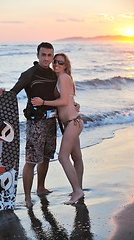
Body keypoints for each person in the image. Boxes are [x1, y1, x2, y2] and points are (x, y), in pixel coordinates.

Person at [0, 42, 58, 208]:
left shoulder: (54, 74)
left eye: (49, 55)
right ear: (37, 55)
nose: (46, 58)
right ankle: (28, 198)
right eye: (43, 55)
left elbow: (61, 96)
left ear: (52, 56)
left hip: (52, 121)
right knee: (31, 160)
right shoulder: (29, 74)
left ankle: (41, 188)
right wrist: (3, 93)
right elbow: (13, 92)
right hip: (36, 123)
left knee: (46, 157)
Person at [31, 53, 84, 204]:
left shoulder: (63, 77)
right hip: (72, 122)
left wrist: (43, 102)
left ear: (66, 65)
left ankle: (77, 191)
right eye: (55, 62)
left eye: (60, 62)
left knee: (62, 157)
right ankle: (78, 189)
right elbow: (70, 100)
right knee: (76, 158)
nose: (56, 64)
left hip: (73, 122)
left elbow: (64, 100)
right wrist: (75, 105)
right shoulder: (61, 78)